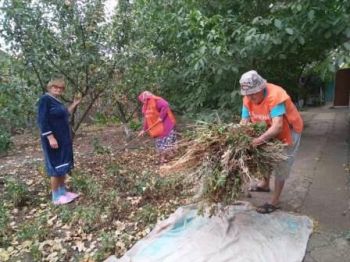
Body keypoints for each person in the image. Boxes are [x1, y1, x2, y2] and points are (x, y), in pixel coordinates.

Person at [239, 70, 303, 214]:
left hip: (289, 130)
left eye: (253, 93)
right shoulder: (247, 98)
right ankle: (265, 184)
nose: (250, 97)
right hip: (269, 129)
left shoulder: (275, 95)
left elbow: (278, 126)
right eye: (247, 94)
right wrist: (241, 137)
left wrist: (259, 139)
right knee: (265, 157)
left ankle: (275, 201)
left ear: (262, 88)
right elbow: (244, 121)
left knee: (282, 162)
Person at [37, 78, 81, 205]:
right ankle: (56, 196)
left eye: (61, 88)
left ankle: (63, 191)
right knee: (56, 166)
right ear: (50, 87)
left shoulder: (56, 101)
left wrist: (75, 103)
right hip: (53, 139)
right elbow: (42, 120)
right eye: (55, 87)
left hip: (63, 138)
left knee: (63, 164)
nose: (58, 90)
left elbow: (65, 113)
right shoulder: (45, 100)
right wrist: (50, 137)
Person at [138, 91, 177, 164]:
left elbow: (165, 105)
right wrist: (143, 130)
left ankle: (165, 159)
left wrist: (161, 117)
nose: (145, 101)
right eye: (144, 100)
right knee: (159, 143)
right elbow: (147, 119)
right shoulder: (146, 107)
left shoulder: (157, 100)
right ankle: (162, 159)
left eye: (146, 99)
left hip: (166, 124)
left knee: (166, 142)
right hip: (157, 128)